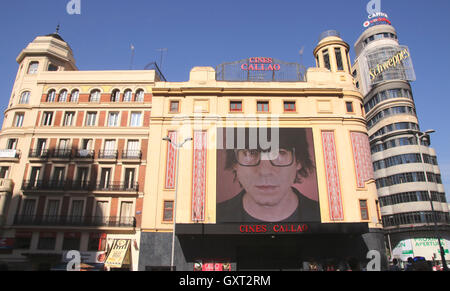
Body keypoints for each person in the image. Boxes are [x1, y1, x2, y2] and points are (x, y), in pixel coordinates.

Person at [217, 128, 320, 223]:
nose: (265, 171)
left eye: (279, 153)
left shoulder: (320, 215)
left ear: (298, 161)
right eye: (251, 153)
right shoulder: (215, 217)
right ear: (235, 162)